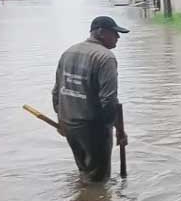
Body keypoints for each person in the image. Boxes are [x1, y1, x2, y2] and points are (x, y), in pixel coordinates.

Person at [53, 16, 128, 183]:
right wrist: (117, 129)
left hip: (70, 123)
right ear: (101, 33)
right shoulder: (105, 57)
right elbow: (108, 100)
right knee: (98, 180)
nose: (118, 37)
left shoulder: (69, 52)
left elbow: (57, 91)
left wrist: (61, 119)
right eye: (114, 33)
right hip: (93, 128)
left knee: (85, 171)